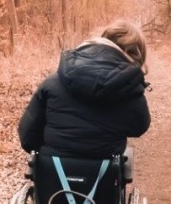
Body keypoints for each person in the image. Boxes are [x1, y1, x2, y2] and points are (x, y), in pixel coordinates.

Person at [18, 19, 151, 159]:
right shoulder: (129, 90)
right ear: (136, 54)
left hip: (52, 174)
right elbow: (139, 127)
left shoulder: (53, 82)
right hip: (104, 175)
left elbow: (27, 137)